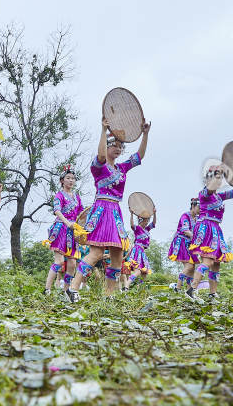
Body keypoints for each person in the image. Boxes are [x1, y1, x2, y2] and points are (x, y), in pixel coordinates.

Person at [67, 117, 151, 302]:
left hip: (116, 213)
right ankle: (73, 288)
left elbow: (139, 156)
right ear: (107, 146)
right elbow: (100, 154)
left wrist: (145, 134)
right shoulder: (99, 167)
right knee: (96, 253)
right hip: (102, 211)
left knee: (118, 257)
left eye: (121, 146)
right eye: (115, 145)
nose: (118, 148)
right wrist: (103, 131)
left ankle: (109, 295)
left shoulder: (122, 168)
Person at [187, 164, 233, 300]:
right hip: (206, 228)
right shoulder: (204, 194)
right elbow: (210, 188)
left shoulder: (219, 196)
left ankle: (212, 293)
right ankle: (192, 289)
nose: (220, 181)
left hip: (215, 229)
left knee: (216, 263)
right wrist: (218, 173)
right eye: (217, 178)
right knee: (208, 261)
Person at [43, 165, 84, 294]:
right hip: (61, 228)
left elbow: (81, 214)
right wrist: (67, 223)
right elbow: (57, 211)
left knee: (72, 263)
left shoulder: (77, 197)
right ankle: (47, 289)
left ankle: (67, 291)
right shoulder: (59, 195)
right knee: (59, 261)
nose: (71, 180)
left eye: (73, 178)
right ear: (62, 180)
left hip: (73, 232)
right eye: (68, 178)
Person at [169, 198, 200, 292]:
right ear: (193, 206)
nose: (200, 210)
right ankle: (177, 288)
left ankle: (188, 290)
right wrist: (196, 238)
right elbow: (186, 230)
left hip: (190, 244)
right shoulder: (185, 215)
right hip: (181, 242)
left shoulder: (198, 219)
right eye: (199, 207)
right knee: (189, 266)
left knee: (192, 267)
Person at [123, 207, 157, 290]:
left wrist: (155, 213)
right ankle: (126, 286)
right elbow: (131, 225)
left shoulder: (147, 229)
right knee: (138, 270)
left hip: (142, 251)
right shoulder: (137, 228)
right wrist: (131, 214)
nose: (147, 223)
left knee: (144, 272)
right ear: (141, 221)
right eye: (145, 221)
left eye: (147, 221)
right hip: (137, 250)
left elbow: (154, 223)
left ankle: (139, 289)